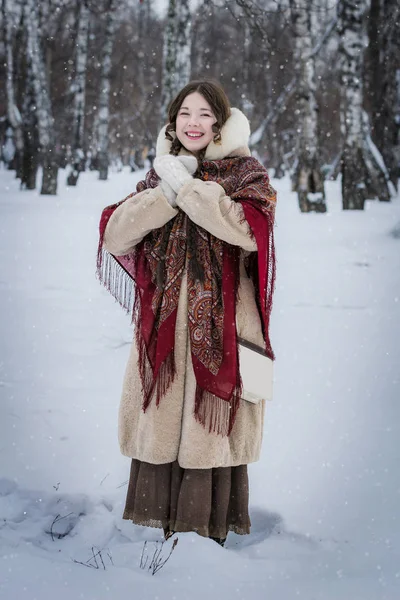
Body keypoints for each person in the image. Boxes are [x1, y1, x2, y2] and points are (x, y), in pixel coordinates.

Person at [96, 79, 277, 546]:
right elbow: (116, 234)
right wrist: (168, 192)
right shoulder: (161, 176)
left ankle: (204, 526)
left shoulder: (246, 175)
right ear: (173, 122)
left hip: (226, 327)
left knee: (210, 431)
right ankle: (152, 522)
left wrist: (194, 193)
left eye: (204, 115)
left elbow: (248, 230)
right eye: (184, 115)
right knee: (160, 422)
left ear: (220, 124)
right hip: (165, 326)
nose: (193, 123)